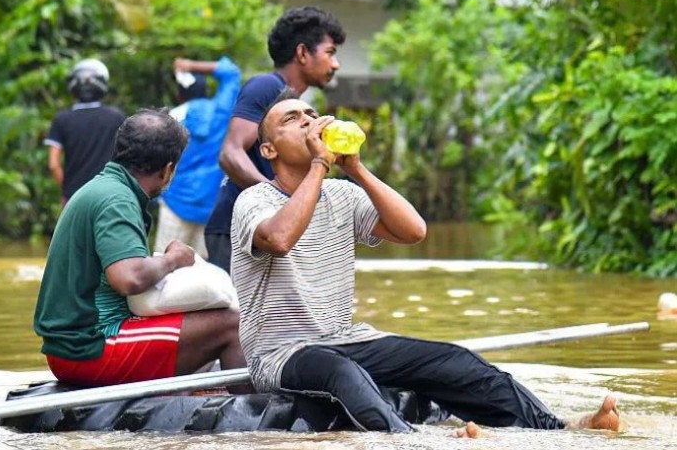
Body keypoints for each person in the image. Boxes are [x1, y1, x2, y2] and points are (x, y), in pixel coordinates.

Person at [230, 94, 621, 435]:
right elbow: (280, 239)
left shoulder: (341, 194)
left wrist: (355, 169)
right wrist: (318, 165)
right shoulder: (254, 200)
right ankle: (412, 440)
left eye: (311, 114)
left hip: (348, 339)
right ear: (269, 151)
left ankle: (558, 427)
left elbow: (413, 230)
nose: (309, 122)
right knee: (339, 372)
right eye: (292, 119)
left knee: (454, 360)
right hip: (282, 354)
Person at [34, 109, 250, 393]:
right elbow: (129, 277)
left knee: (201, 324)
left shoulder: (105, 188)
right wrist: (174, 259)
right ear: (168, 169)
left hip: (73, 346)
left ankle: (200, 392)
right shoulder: (117, 200)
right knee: (230, 325)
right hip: (89, 348)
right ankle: (251, 422)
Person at [203, 6, 344, 272]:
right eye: (330, 53)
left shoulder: (294, 104)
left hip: (266, 228)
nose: (335, 64)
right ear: (302, 53)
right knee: (237, 314)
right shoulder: (266, 86)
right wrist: (279, 197)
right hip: (238, 229)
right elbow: (230, 154)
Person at [154, 56, 242, 258]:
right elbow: (231, 72)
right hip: (210, 205)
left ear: (179, 93)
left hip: (175, 201)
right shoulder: (223, 111)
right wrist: (191, 65)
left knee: (163, 267)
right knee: (199, 272)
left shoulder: (170, 119)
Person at [44, 58, 126, 205]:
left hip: (74, 198)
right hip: (109, 195)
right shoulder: (115, 117)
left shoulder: (62, 119)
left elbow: (53, 165)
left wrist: (68, 191)